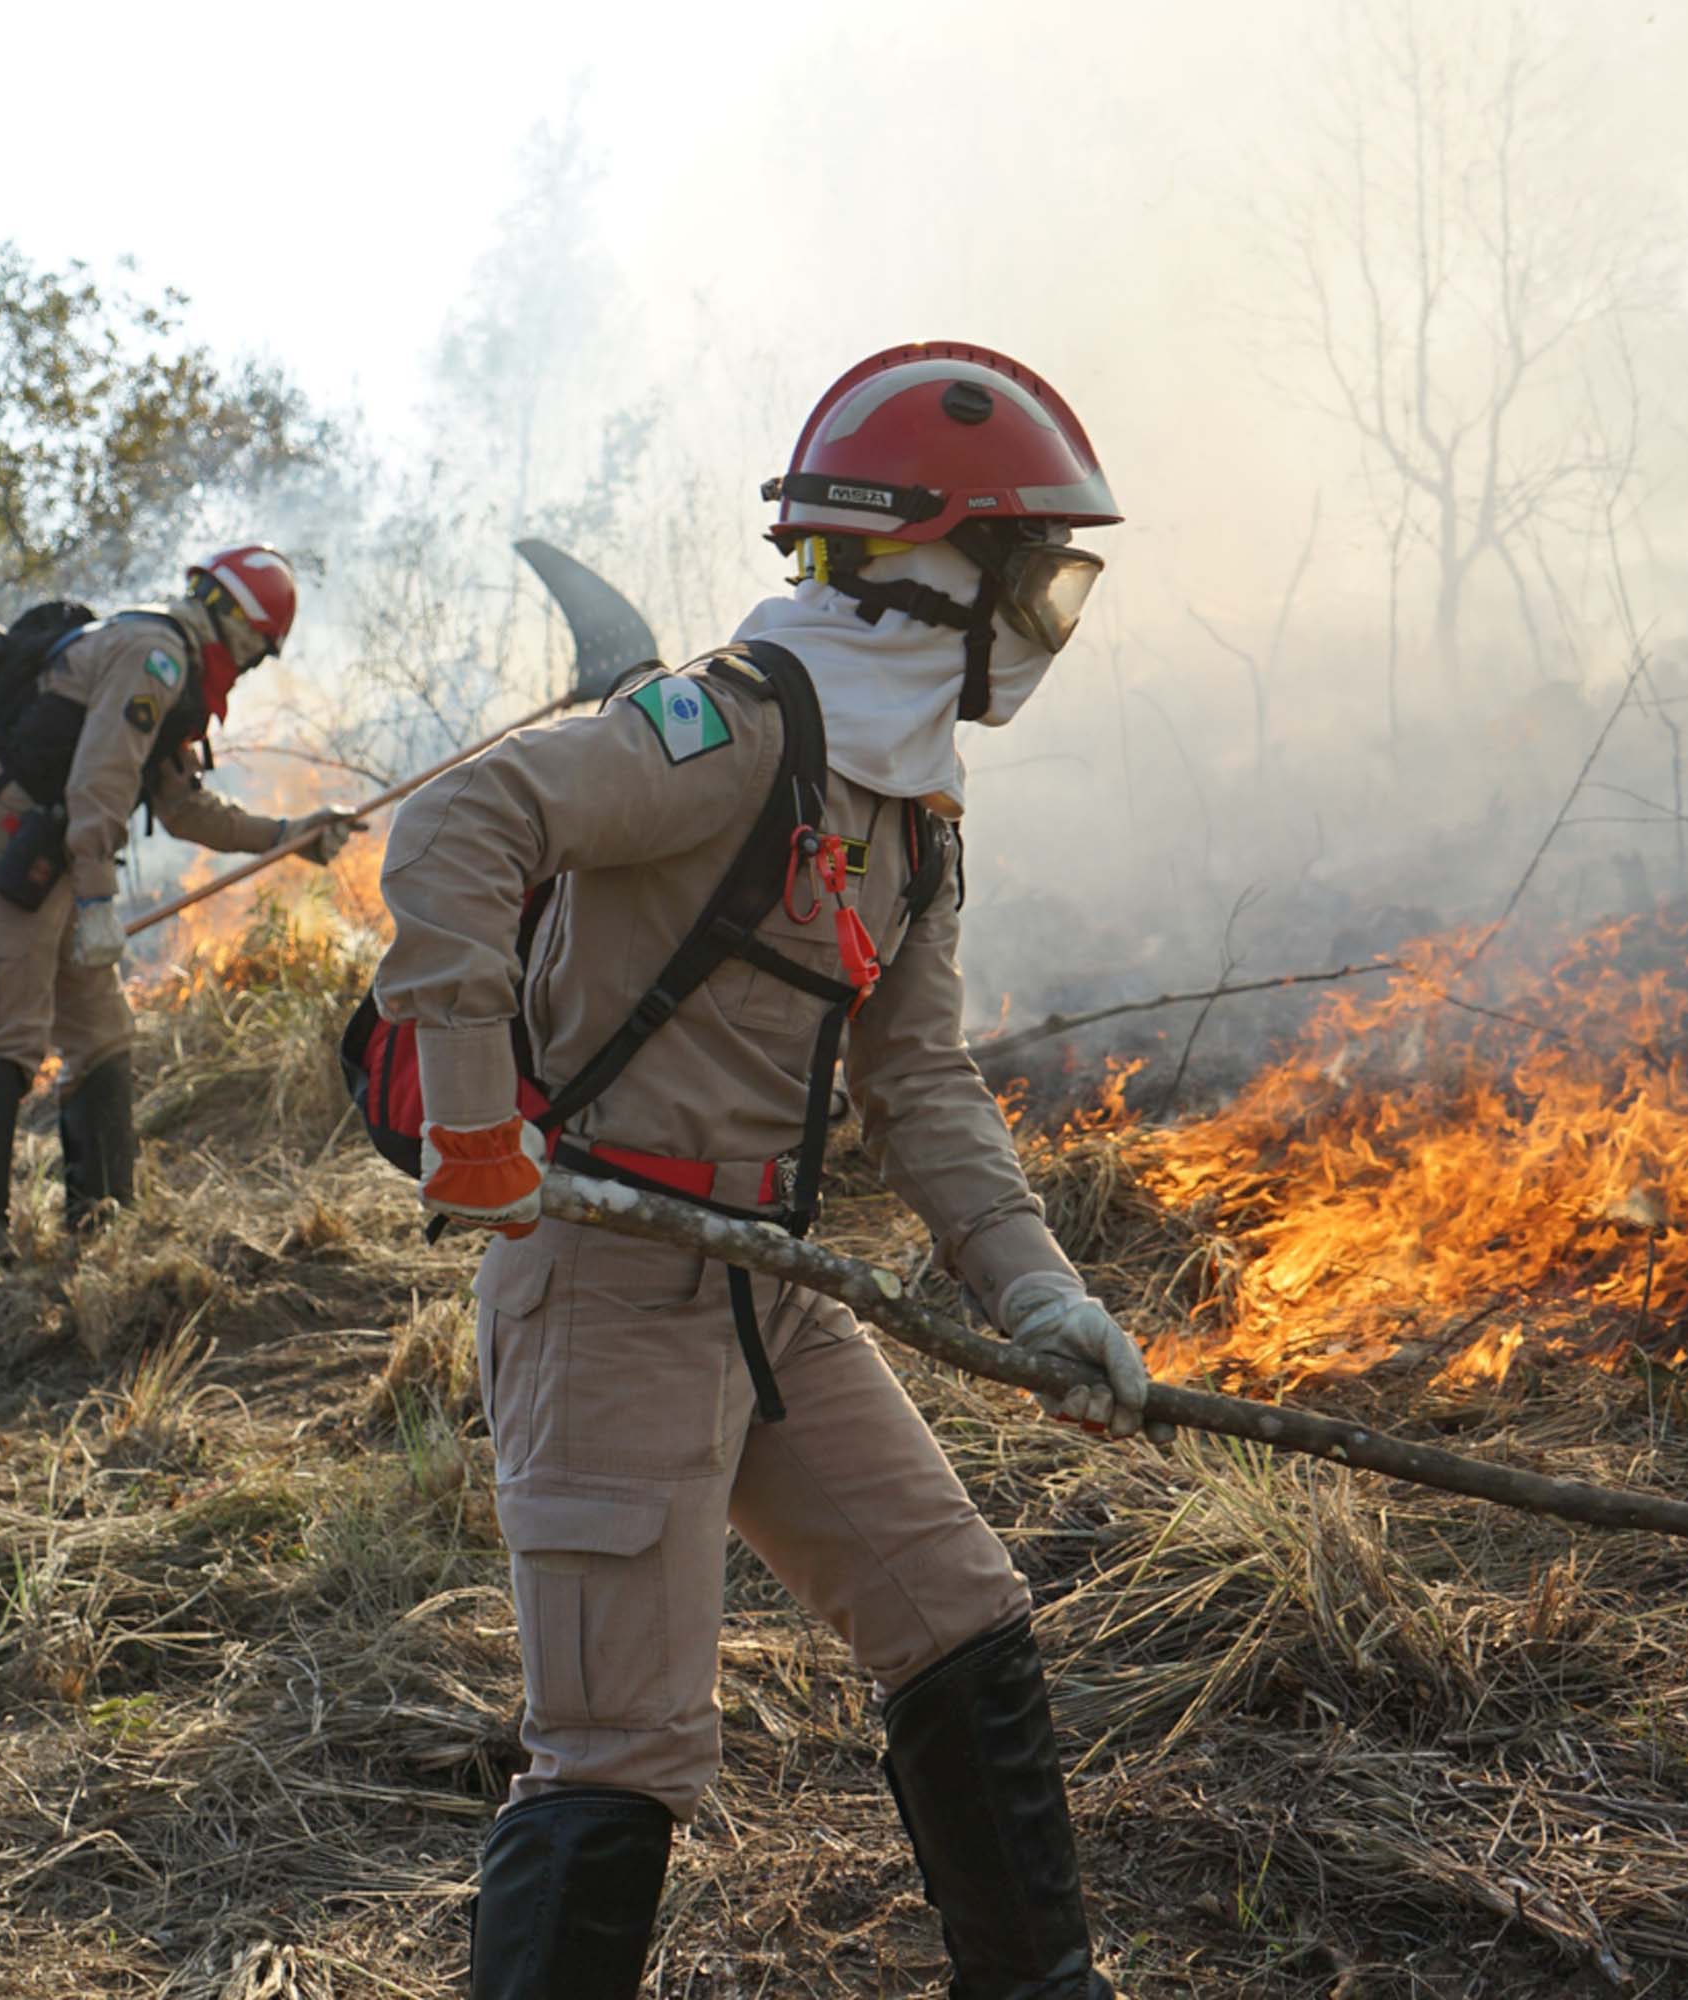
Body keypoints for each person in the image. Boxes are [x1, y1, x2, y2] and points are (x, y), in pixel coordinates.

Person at [373, 344, 1163, 1999]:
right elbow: (453, 832)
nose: (1045, 624)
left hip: (771, 1290)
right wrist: (467, 1120)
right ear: (936, 566)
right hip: (596, 1281)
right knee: (617, 1754)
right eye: (1040, 580)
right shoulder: (721, 732)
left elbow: (919, 1079)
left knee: (959, 1621)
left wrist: (1037, 1289)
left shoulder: (912, 817)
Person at [0, 544, 360, 1271]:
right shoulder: (153, 655)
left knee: (101, 1033)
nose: (254, 664)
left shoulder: (176, 671)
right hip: (5, 848)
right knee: (7, 1032)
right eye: (258, 648)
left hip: (56, 855)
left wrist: (288, 837)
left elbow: (182, 807)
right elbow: (97, 790)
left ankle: (102, 1220)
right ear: (233, 621)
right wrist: (98, 901)